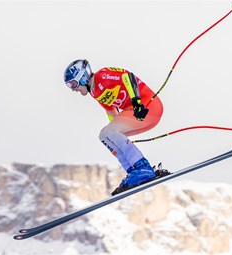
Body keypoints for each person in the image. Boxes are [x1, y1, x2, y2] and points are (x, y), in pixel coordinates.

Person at [63, 59, 164, 196]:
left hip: (147, 107)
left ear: (83, 77)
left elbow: (128, 77)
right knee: (104, 135)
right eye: (70, 86)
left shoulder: (102, 77)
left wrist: (137, 102)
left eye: (73, 84)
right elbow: (111, 112)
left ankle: (142, 168)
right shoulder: (95, 92)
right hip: (140, 112)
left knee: (109, 132)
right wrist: (117, 138)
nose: (73, 89)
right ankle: (133, 170)